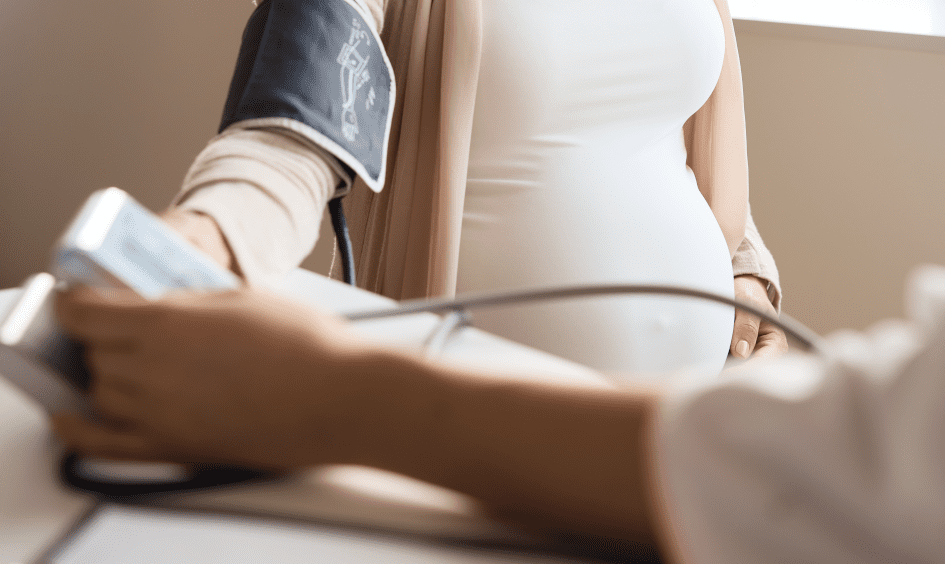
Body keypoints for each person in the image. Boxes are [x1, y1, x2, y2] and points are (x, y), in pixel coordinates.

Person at [160, 0, 787, 375]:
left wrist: (743, 263)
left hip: (682, 424)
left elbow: (660, 115)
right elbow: (289, 132)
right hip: (458, 427)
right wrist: (193, 243)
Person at [51, 263, 945, 563]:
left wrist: (746, 278)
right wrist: (197, 251)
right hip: (510, 394)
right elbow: (292, 120)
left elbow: (697, 143)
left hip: (642, 410)